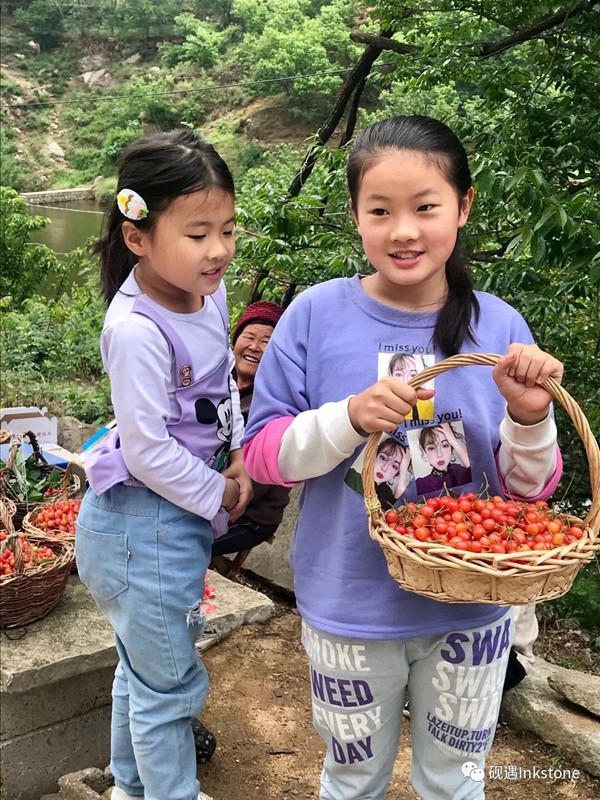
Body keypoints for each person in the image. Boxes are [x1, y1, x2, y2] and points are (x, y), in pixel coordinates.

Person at [241, 115, 563, 800]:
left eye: (426, 208)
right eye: (380, 211)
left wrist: (530, 416)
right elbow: (265, 457)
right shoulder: (315, 316)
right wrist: (348, 418)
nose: (404, 231)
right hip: (349, 602)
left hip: (471, 613)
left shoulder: (499, 327)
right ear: (356, 216)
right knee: (352, 777)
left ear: (464, 206)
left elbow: (527, 498)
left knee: (454, 782)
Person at [75, 129, 252, 800]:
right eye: (198, 233)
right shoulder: (136, 330)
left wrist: (234, 459)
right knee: (170, 685)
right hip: (140, 532)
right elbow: (148, 451)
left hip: (165, 528)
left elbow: (220, 386)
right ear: (138, 237)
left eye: (228, 229)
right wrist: (219, 495)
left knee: (142, 672)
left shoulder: (210, 292)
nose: (219, 250)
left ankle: (129, 786)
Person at [209, 299, 292, 574]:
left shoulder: (276, 402)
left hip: (250, 514)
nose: (255, 346)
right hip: (211, 496)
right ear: (236, 340)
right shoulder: (215, 382)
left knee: (181, 540)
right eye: (250, 336)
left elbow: (257, 482)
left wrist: (201, 489)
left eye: (267, 340)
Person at [414, 421, 471, 494]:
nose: (439, 454)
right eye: (431, 448)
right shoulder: (421, 485)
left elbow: (478, 476)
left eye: (445, 445)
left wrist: (455, 443)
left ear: (451, 447)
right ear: (424, 451)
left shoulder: (461, 472)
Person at [388, 353, 434, 421]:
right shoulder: (386, 404)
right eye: (399, 374)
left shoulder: (427, 405)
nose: (406, 380)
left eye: (412, 375)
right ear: (391, 375)